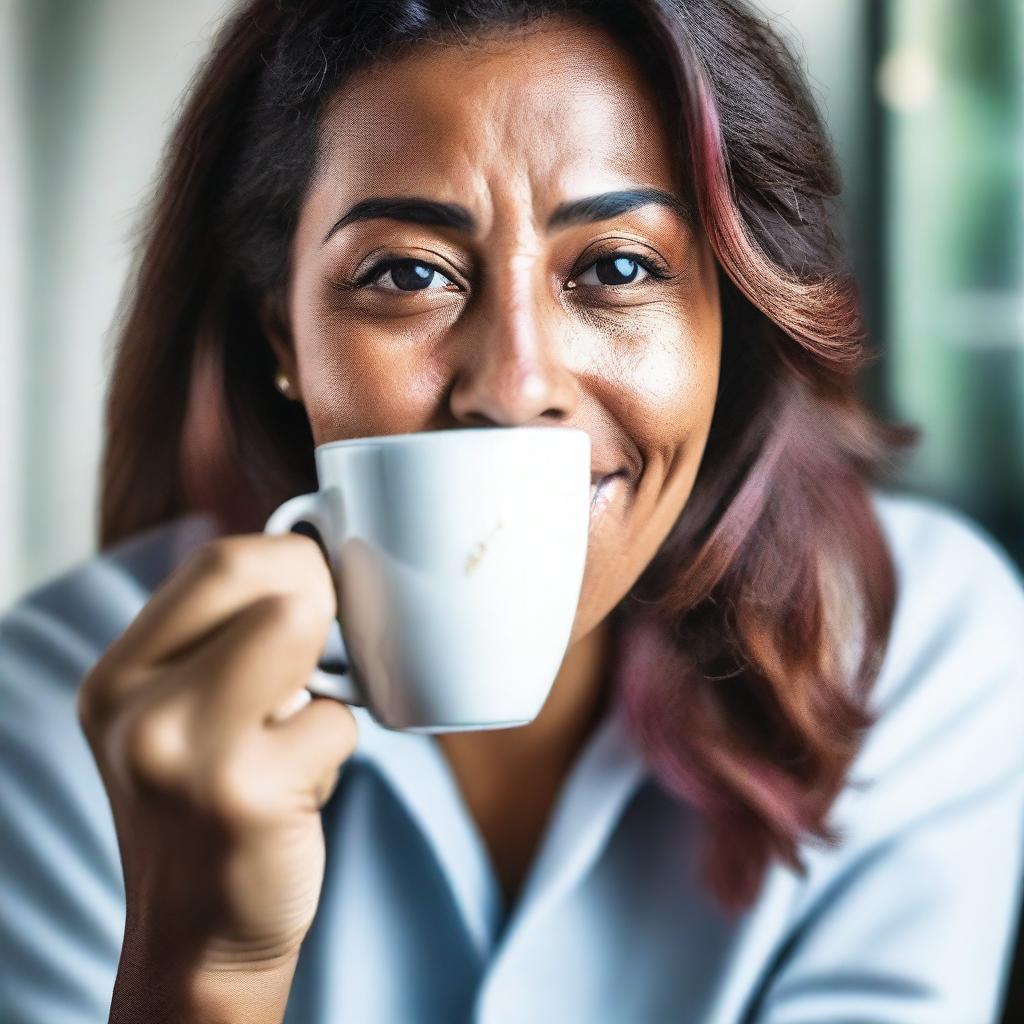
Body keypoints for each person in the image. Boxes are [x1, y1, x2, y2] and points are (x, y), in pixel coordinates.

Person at [2, 0, 1023, 1021]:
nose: (514, 383)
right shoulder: (65, 695)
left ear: (731, 321)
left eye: (617, 268)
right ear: (284, 341)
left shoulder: (916, 640)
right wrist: (205, 966)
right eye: (408, 274)